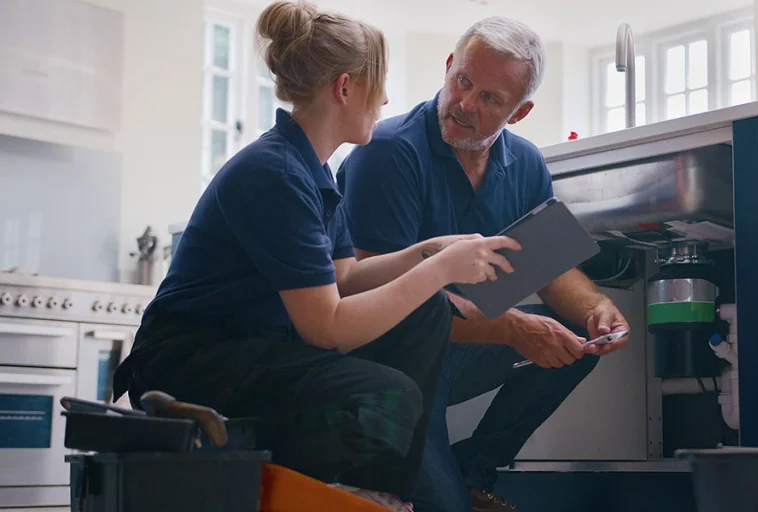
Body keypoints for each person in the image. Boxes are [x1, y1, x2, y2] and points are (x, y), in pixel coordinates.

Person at [110, 2, 521, 510]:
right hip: (192, 361)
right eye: (379, 84)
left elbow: (345, 277)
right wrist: (440, 270)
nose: (385, 98)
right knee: (385, 393)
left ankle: (376, 492)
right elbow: (326, 328)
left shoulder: (313, 168)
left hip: (253, 347)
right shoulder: (276, 174)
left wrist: (428, 252)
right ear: (345, 88)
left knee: (427, 312)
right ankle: (359, 493)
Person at [337, 17, 631, 512]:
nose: (465, 104)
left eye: (490, 98)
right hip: (391, 366)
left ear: (520, 112)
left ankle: (474, 472)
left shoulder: (526, 163)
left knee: (576, 341)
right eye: (463, 81)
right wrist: (512, 328)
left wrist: (595, 309)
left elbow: (550, 268)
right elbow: (375, 304)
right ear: (449, 66)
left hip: (454, 351)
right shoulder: (388, 151)